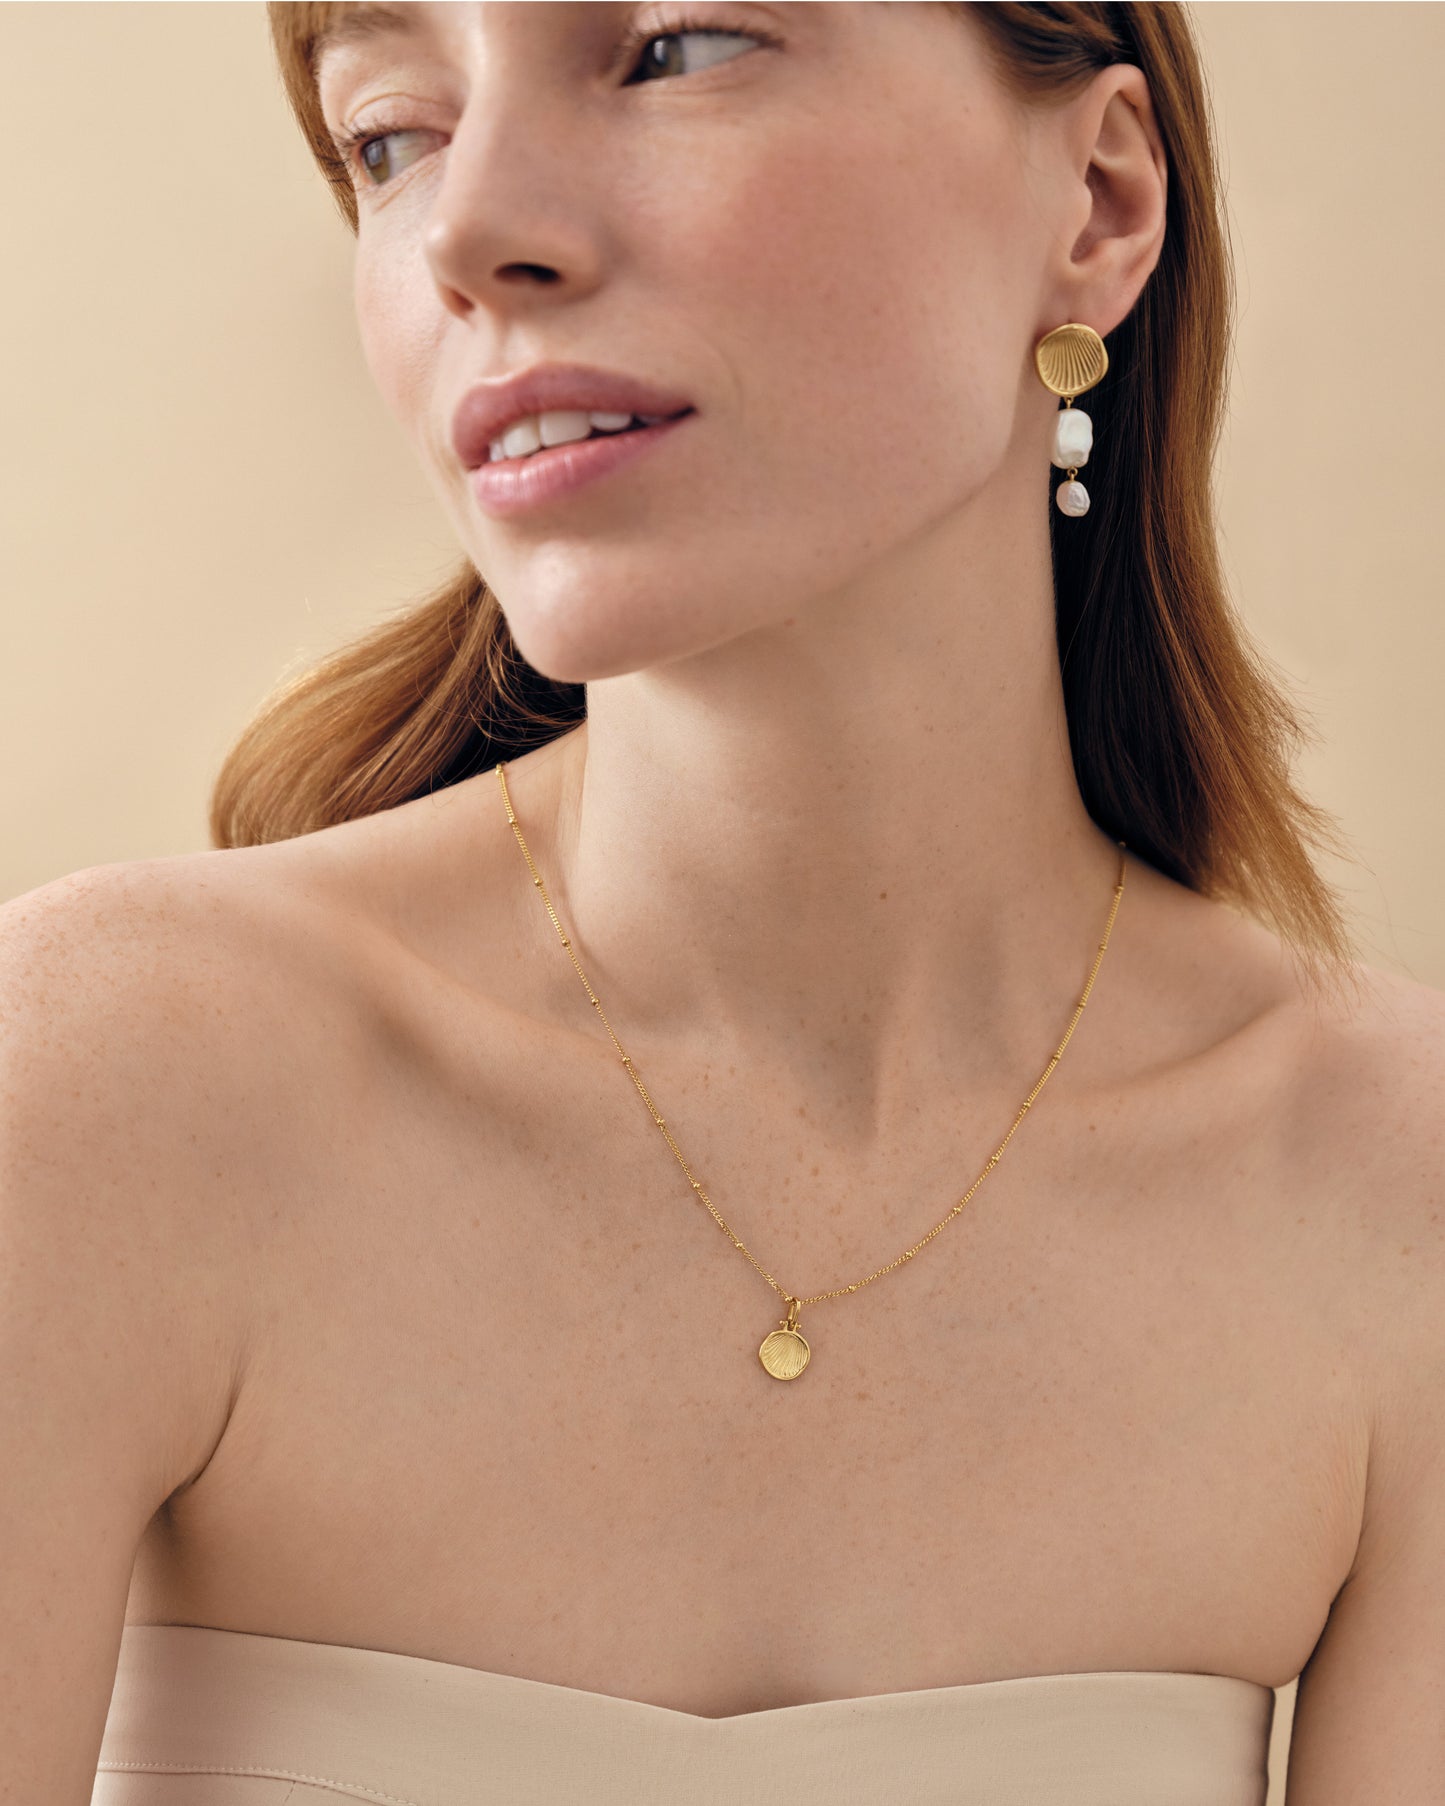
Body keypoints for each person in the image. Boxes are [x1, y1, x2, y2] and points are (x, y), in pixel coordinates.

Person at [2, 4, 1440, 1802]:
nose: (464, 233)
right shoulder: (100, 1090)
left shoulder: (1396, 1202)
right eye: (390, 136)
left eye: (673, 48)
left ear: (1095, 200)